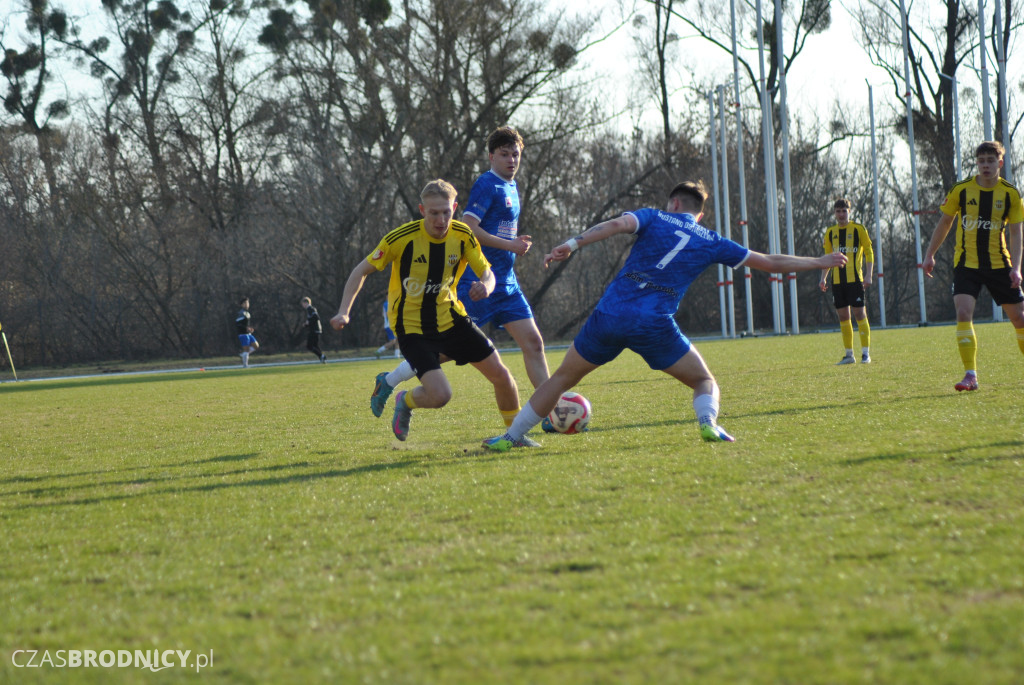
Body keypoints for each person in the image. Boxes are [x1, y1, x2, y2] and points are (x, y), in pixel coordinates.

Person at [482, 180, 848, 451]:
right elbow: (768, 262)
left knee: (561, 378)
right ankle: (708, 423)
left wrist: (572, 244)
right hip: (653, 324)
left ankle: (510, 437)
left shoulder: (653, 216)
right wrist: (819, 261)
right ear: (698, 213)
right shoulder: (710, 239)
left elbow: (615, 226)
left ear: (673, 203)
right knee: (704, 380)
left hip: (610, 314)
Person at [368, 127, 547, 422]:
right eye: (504, 154)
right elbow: (469, 226)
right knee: (447, 348)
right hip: (475, 284)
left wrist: (510, 250)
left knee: (534, 343)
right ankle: (390, 381)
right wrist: (510, 245)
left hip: (505, 283)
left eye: (515, 154)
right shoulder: (487, 184)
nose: (512, 160)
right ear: (491, 157)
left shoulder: (511, 185)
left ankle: (550, 412)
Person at [330, 179, 525, 443]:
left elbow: (487, 272)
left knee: (501, 375)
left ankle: (515, 436)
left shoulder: (463, 235)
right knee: (441, 395)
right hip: (411, 328)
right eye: (434, 213)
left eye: (446, 212)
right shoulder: (401, 239)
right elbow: (360, 271)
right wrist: (344, 311)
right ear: (422, 210)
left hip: (452, 320)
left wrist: (486, 287)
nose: (441, 220)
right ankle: (405, 400)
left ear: (454, 208)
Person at [922, 140, 1024, 392]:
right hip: (966, 264)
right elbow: (945, 222)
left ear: (1000, 163)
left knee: (1019, 318)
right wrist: (930, 254)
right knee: (963, 312)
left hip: (999, 263)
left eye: (990, 161)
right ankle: (970, 375)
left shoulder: (1010, 194)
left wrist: (1016, 268)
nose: (985, 165)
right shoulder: (961, 190)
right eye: (981, 161)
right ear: (977, 163)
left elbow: (1016, 233)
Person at [819, 198, 874, 364]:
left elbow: (869, 252)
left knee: (860, 314)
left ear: (849, 212)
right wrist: (823, 278)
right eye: (838, 211)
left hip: (855, 280)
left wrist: (869, 275)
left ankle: (865, 353)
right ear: (834, 213)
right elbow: (828, 258)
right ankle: (849, 355)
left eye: (844, 211)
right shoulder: (830, 232)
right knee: (843, 317)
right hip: (837, 282)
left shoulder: (858, 229)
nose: (841, 214)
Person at [300, 296, 327, 363]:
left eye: (303, 303)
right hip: (316, 329)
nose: (302, 305)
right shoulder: (309, 310)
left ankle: (321, 356)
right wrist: (306, 324)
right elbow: (312, 319)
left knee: (309, 346)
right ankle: (322, 358)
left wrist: (308, 322)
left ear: (306, 303)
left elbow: (316, 317)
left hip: (315, 330)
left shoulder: (310, 309)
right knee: (315, 345)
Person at [235, 297, 259, 368]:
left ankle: (243, 355)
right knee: (246, 349)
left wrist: (249, 328)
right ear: (241, 305)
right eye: (245, 303)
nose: (247, 304)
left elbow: (245, 324)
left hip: (248, 333)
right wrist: (246, 328)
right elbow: (238, 324)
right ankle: (245, 365)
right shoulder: (241, 313)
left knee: (256, 346)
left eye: (247, 303)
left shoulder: (247, 313)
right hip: (243, 334)